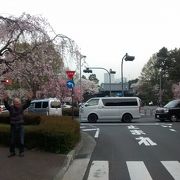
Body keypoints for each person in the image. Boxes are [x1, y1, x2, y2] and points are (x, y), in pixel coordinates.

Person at [3, 92, 33, 157]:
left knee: (21, 140)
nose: (18, 103)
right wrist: (5, 99)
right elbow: (6, 105)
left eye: (18, 102)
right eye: (16, 102)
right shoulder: (11, 108)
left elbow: (27, 104)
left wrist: (29, 99)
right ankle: (12, 152)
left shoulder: (21, 107)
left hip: (20, 125)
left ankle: (21, 152)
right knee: (12, 140)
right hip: (13, 126)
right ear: (14, 103)